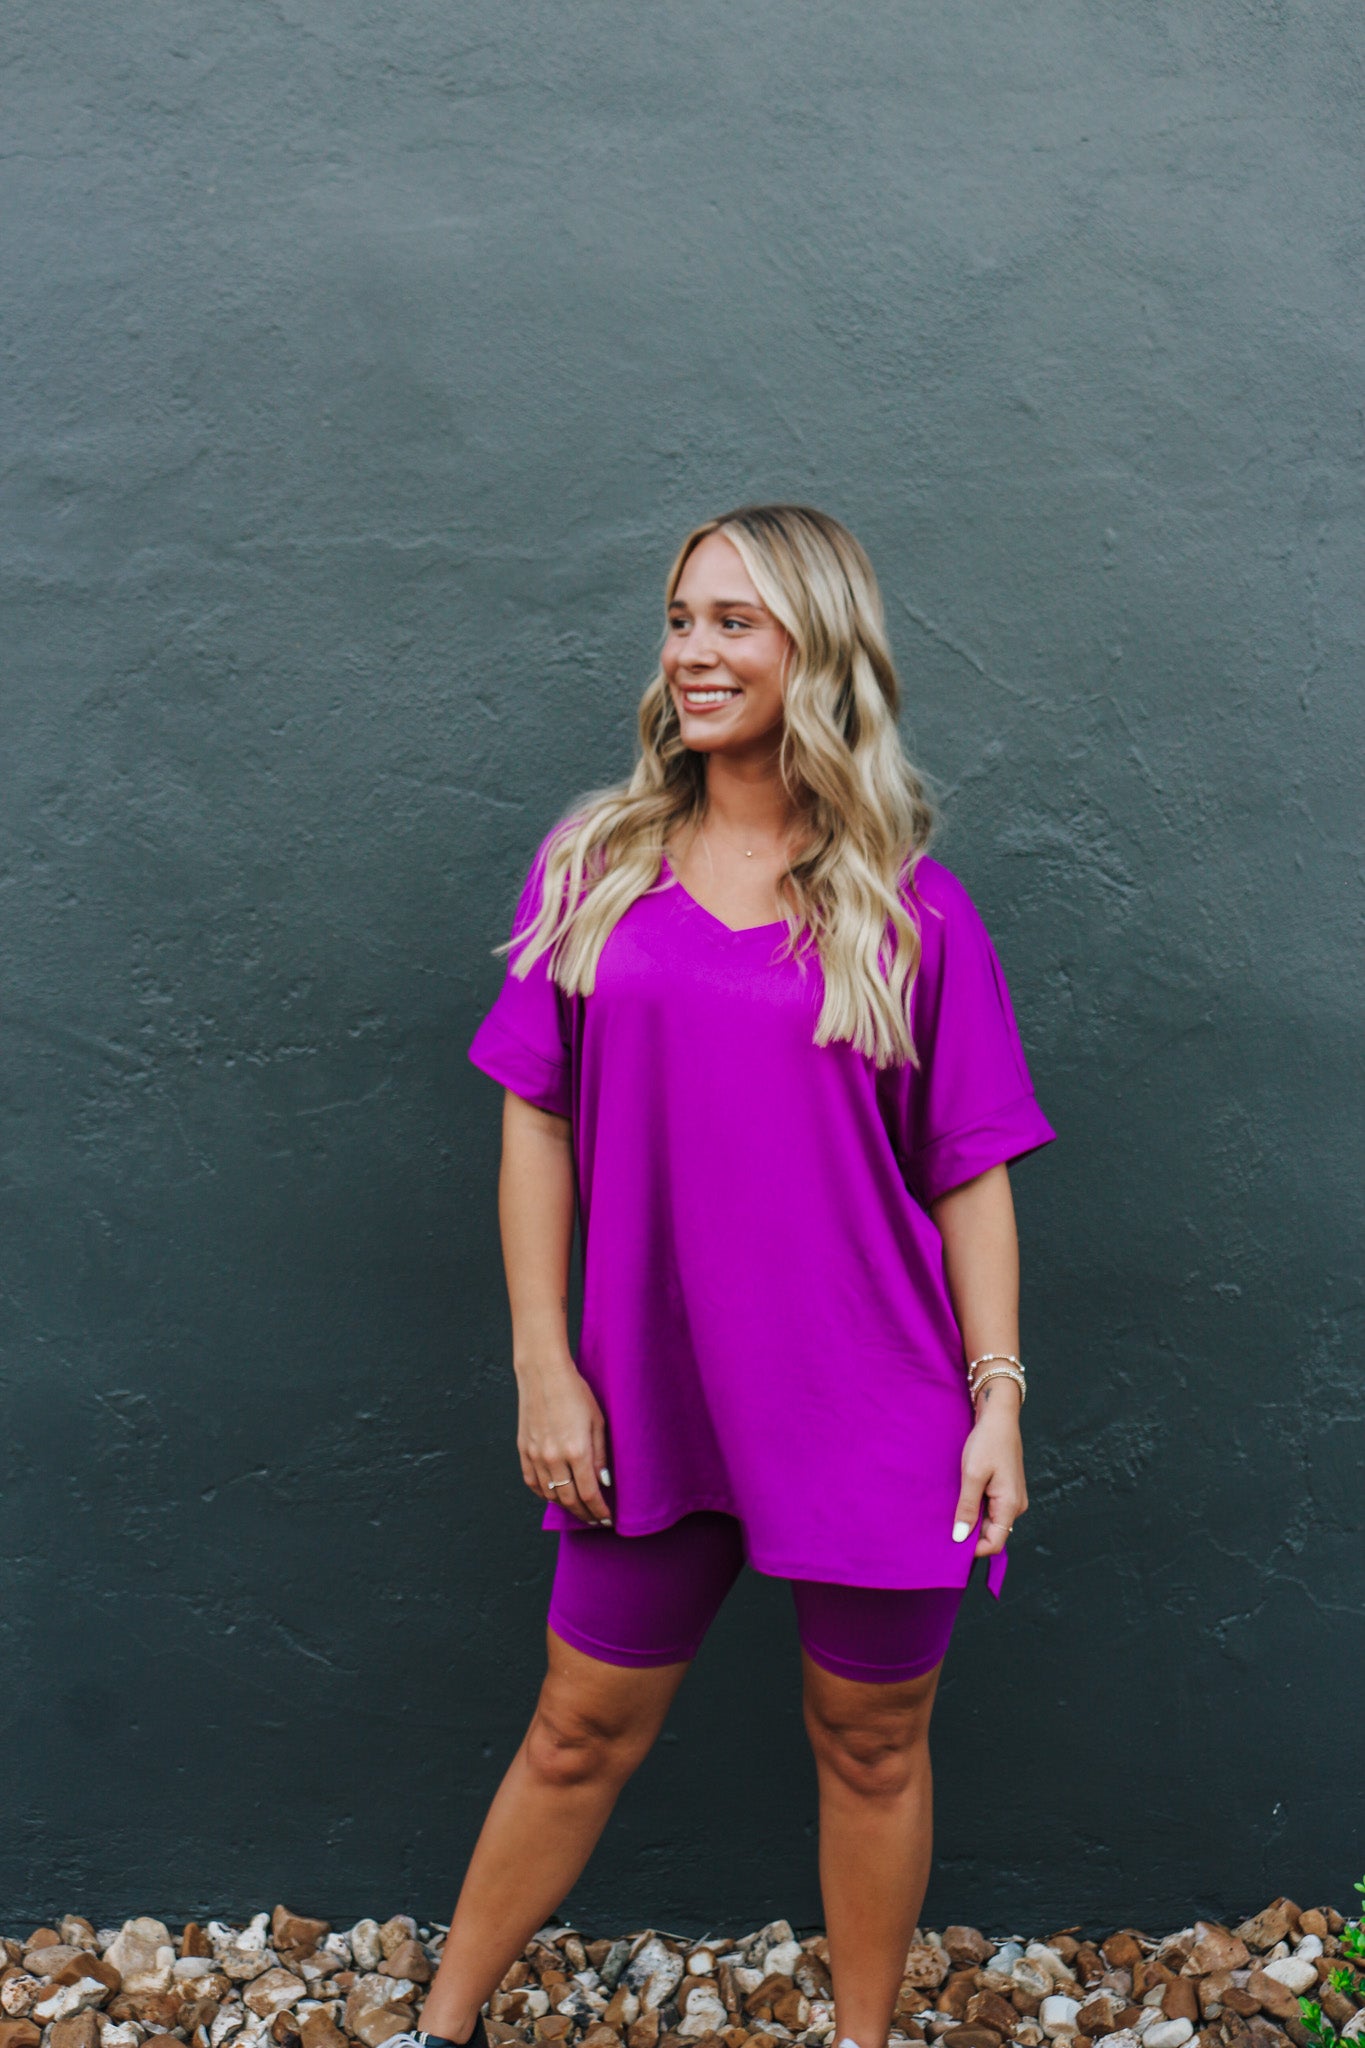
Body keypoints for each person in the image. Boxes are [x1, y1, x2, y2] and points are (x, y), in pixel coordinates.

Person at [400, 504, 1055, 2048]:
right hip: (650, 1390)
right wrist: (545, 1364)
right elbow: (535, 1121)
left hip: (867, 1394)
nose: (693, 652)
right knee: (576, 1728)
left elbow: (969, 1170)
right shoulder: (594, 870)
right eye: (681, 620)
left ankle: (861, 2040)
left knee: (870, 1748)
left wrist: (996, 1397)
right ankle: (435, 2030)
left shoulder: (910, 906)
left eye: (733, 623)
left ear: (814, 650)